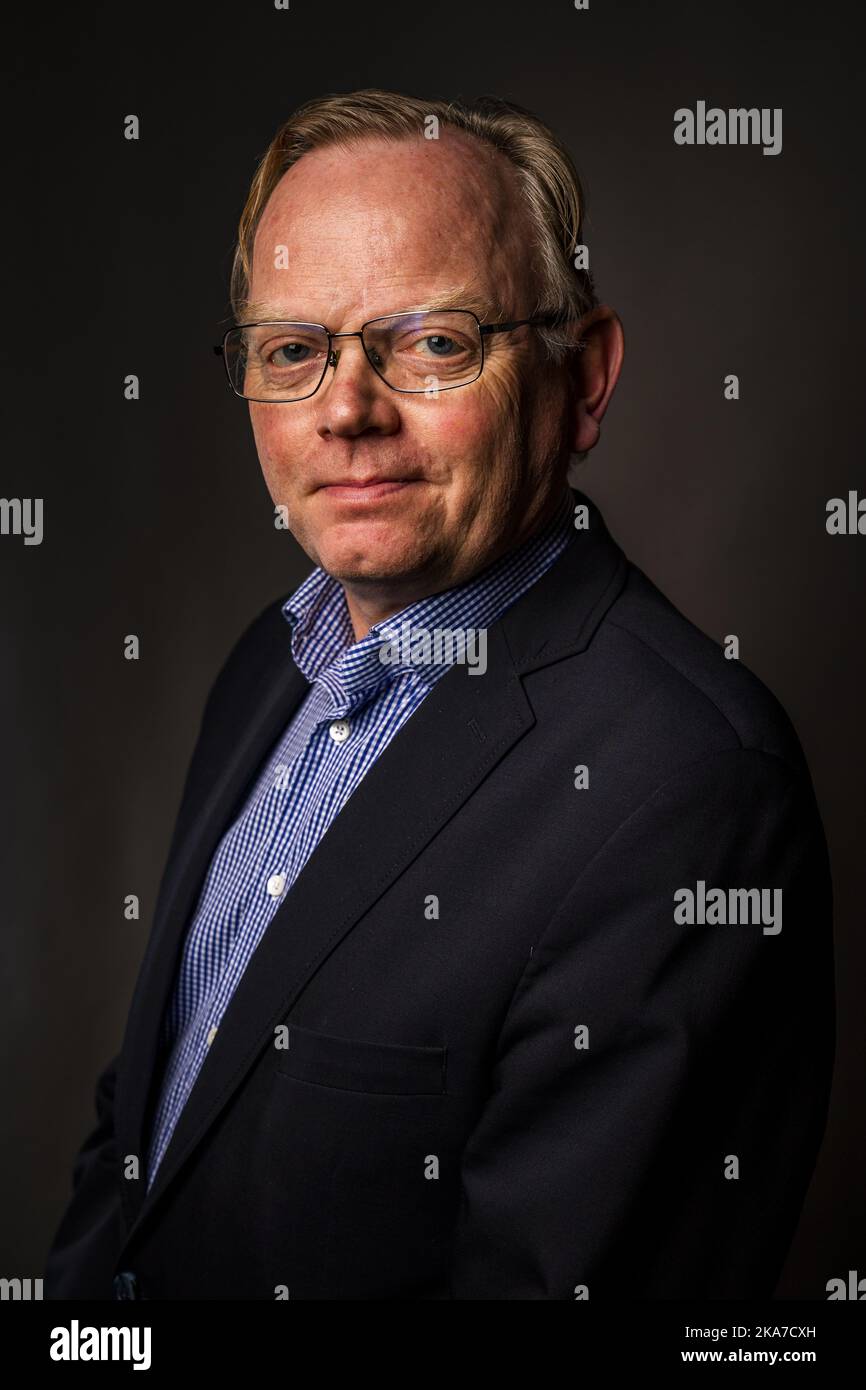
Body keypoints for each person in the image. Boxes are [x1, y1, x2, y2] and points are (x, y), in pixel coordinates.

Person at [44, 88, 834, 1300]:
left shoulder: (688, 789)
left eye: (430, 342)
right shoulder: (274, 661)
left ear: (584, 379)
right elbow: (147, 1124)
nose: (346, 411)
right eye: (293, 350)